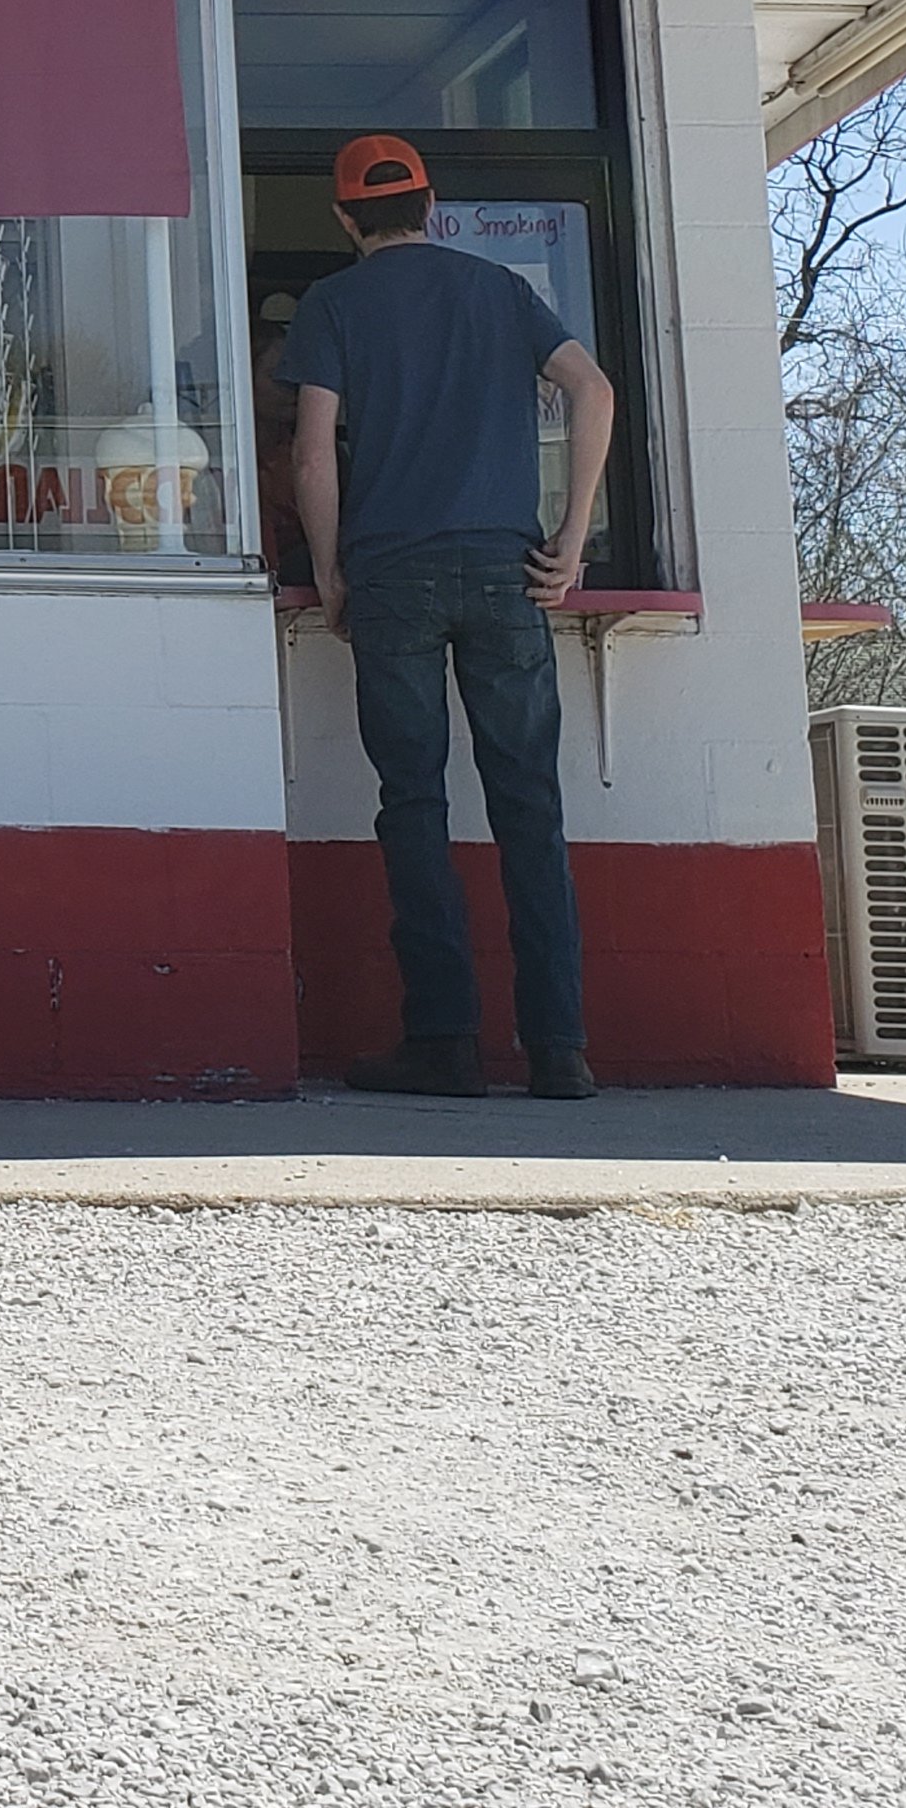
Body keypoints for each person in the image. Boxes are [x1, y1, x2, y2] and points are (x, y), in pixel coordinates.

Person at [275, 133, 616, 1103]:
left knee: (413, 807)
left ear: (346, 219)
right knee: (529, 809)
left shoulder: (336, 304)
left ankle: (445, 1041)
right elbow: (593, 388)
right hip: (509, 570)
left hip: (394, 575)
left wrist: (334, 573)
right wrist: (572, 535)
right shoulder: (502, 291)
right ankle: (560, 1049)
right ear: (434, 204)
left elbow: (310, 456)